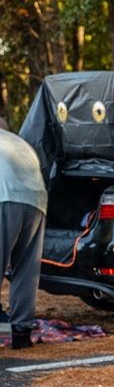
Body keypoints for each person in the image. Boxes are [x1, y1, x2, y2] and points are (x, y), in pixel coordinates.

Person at [0, 115, 48, 350]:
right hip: (36, 201)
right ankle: (21, 333)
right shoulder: (21, 144)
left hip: (4, 196)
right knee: (26, 267)